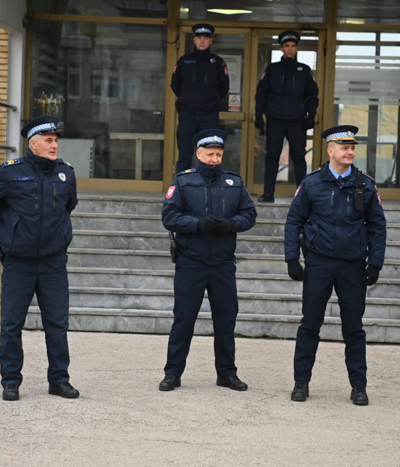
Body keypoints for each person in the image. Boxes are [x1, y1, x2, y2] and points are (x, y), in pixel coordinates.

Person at [0, 115, 79, 402]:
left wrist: (60, 237)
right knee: (12, 324)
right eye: (48, 140)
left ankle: (59, 380)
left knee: (57, 323)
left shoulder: (66, 173)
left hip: (53, 262)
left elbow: (69, 206)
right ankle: (11, 382)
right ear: (33, 144)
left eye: (56, 140)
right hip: (18, 262)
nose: (54, 145)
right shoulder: (10, 173)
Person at [284, 125, 386, 405]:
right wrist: (292, 259)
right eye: (344, 148)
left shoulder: (365, 184)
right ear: (331, 151)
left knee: (354, 328)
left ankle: (359, 386)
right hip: (319, 263)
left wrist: (375, 263)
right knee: (310, 325)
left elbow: (378, 225)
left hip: (353, 266)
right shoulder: (312, 183)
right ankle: (301, 383)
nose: (350, 152)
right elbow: (294, 221)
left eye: (352, 147)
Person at [159, 129, 257, 392]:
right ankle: (172, 373)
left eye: (218, 154)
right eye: (210, 154)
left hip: (223, 263)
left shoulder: (234, 183)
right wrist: (197, 224)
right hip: (191, 261)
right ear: (198, 154)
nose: (214, 159)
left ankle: (226, 373)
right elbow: (169, 217)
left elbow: (249, 214)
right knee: (184, 319)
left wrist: (231, 224)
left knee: (226, 320)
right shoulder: (183, 182)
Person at [254, 30, 319, 203]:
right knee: (272, 156)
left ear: (296, 48)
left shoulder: (304, 71)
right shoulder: (272, 69)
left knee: (298, 157)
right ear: (282, 48)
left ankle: (302, 195)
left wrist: (311, 115)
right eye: (287, 46)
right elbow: (261, 93)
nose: (290, 49)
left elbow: (313, 95)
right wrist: (258, 115)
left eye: (293, 46)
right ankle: (268, 193)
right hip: (275, 118)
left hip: (296, 120)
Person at [171, 23, 230, 175]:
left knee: (210, 155)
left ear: (211, 41)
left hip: (208, 117)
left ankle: (208, 189)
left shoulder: (218, 63)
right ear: (194, 40)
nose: (202, 41)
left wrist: (210, 101)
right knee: (184, 155)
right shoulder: (184, 61)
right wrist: (187, 99)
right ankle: (181, 189)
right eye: (199, 38)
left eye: (206, 38)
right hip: (188, 115)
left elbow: (224, 88)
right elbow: (175, 85)